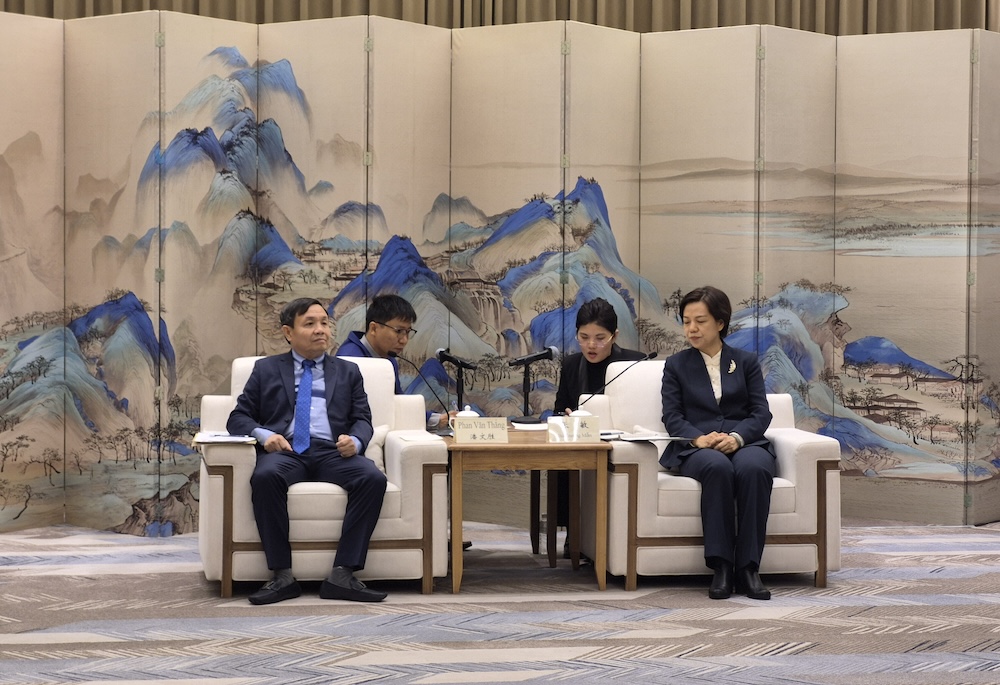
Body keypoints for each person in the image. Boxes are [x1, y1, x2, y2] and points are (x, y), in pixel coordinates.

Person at [228, 297, 388, 605]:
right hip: (286, 451)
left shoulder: (348, 371)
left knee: (372, 478)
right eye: (310, 324)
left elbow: (362, 420)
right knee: (265, 476)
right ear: (288, 332)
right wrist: (265, 436)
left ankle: (343, 575)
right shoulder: (266, 369)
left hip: (332, 452)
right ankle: (282, 576)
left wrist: (355, 441)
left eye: (325, 323)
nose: (320, 330)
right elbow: (238, 418)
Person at [659, 286, 775, 600]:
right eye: (686, 322)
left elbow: (761, 412)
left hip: (744, 443)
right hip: (698, 446)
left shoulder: (746, 361)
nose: (692, 329)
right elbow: (672, 416)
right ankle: (722, 566)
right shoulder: (676, 365)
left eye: (700, 321)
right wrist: (699, 438)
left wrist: (737, 438)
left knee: (754, 469)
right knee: (717, 467)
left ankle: (748, 568)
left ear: (720, 323)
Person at [553, 297, 645, 557]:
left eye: (600, 338)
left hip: (619, 445)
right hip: (583, 445)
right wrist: (566, 416)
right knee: (561, 460)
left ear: (615, 336)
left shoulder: (634, 364)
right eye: (584, 337)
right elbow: (559, 409)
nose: (591, 345)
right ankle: (575, 531)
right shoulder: (571, 364)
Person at [337, 293, 450, 430]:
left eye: (407, 332)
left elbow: (397, 403)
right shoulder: (349, 358)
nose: (404, 340)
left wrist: (437, 419)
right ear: (374, 328)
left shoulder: (389, 360)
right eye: (399, 331)